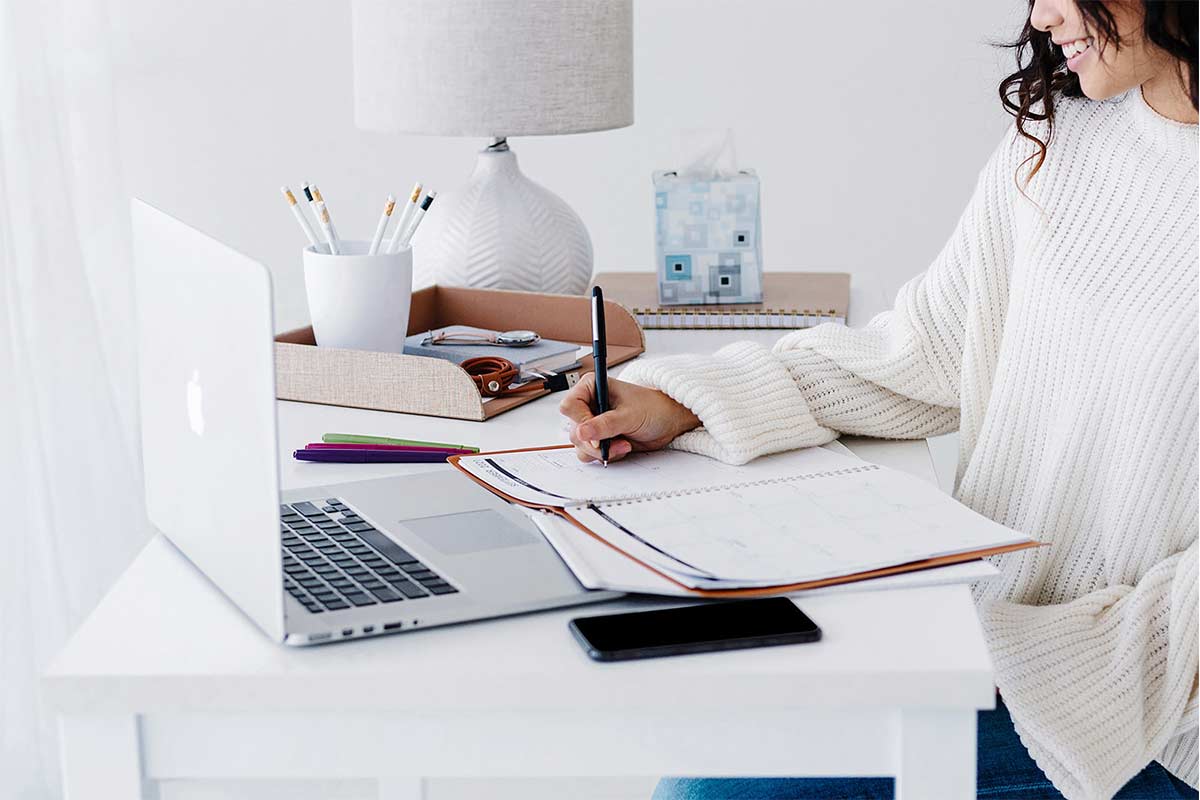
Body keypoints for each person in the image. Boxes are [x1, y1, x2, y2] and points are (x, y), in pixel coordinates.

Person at [559, 0, 1198, 797]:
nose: (1042, 14)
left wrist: (1029, 657)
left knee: (713, 792)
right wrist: (686, 401)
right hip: (983, 633)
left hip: (1144, 715)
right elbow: (925, 352)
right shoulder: (1060, 138)